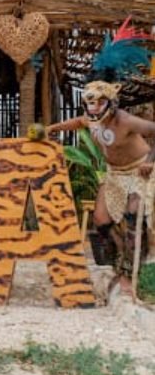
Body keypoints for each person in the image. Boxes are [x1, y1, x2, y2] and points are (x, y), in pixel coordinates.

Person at [46, 18, 155, 296]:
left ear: (112, 101)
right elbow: (79, 122)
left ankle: (130, 278)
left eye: (98, 102)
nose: (93, 107)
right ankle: (123, 263)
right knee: (102, 221)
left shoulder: (127, 120)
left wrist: (150, 161)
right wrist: (55, 128)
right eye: (89, 102)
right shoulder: (93, 119)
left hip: (140, 171)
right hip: (114, 174)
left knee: (133, 217)